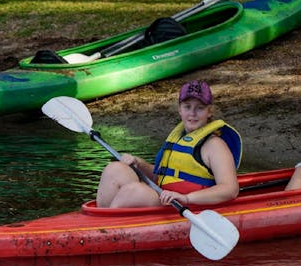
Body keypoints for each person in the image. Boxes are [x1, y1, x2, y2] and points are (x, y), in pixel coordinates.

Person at [96, 80, 241, 207]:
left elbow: (230, 189)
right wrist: (138, 163)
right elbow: (162, 176)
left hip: (183, 204)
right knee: (114, 169)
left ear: (209, 112)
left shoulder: (215, 145)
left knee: (134, 190)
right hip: (162, 196)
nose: (192, 113)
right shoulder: (179, 136)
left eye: (200, 108)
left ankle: (105, 231)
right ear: (179, 109)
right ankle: (100, 222)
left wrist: (187, 198)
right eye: (187, 106)